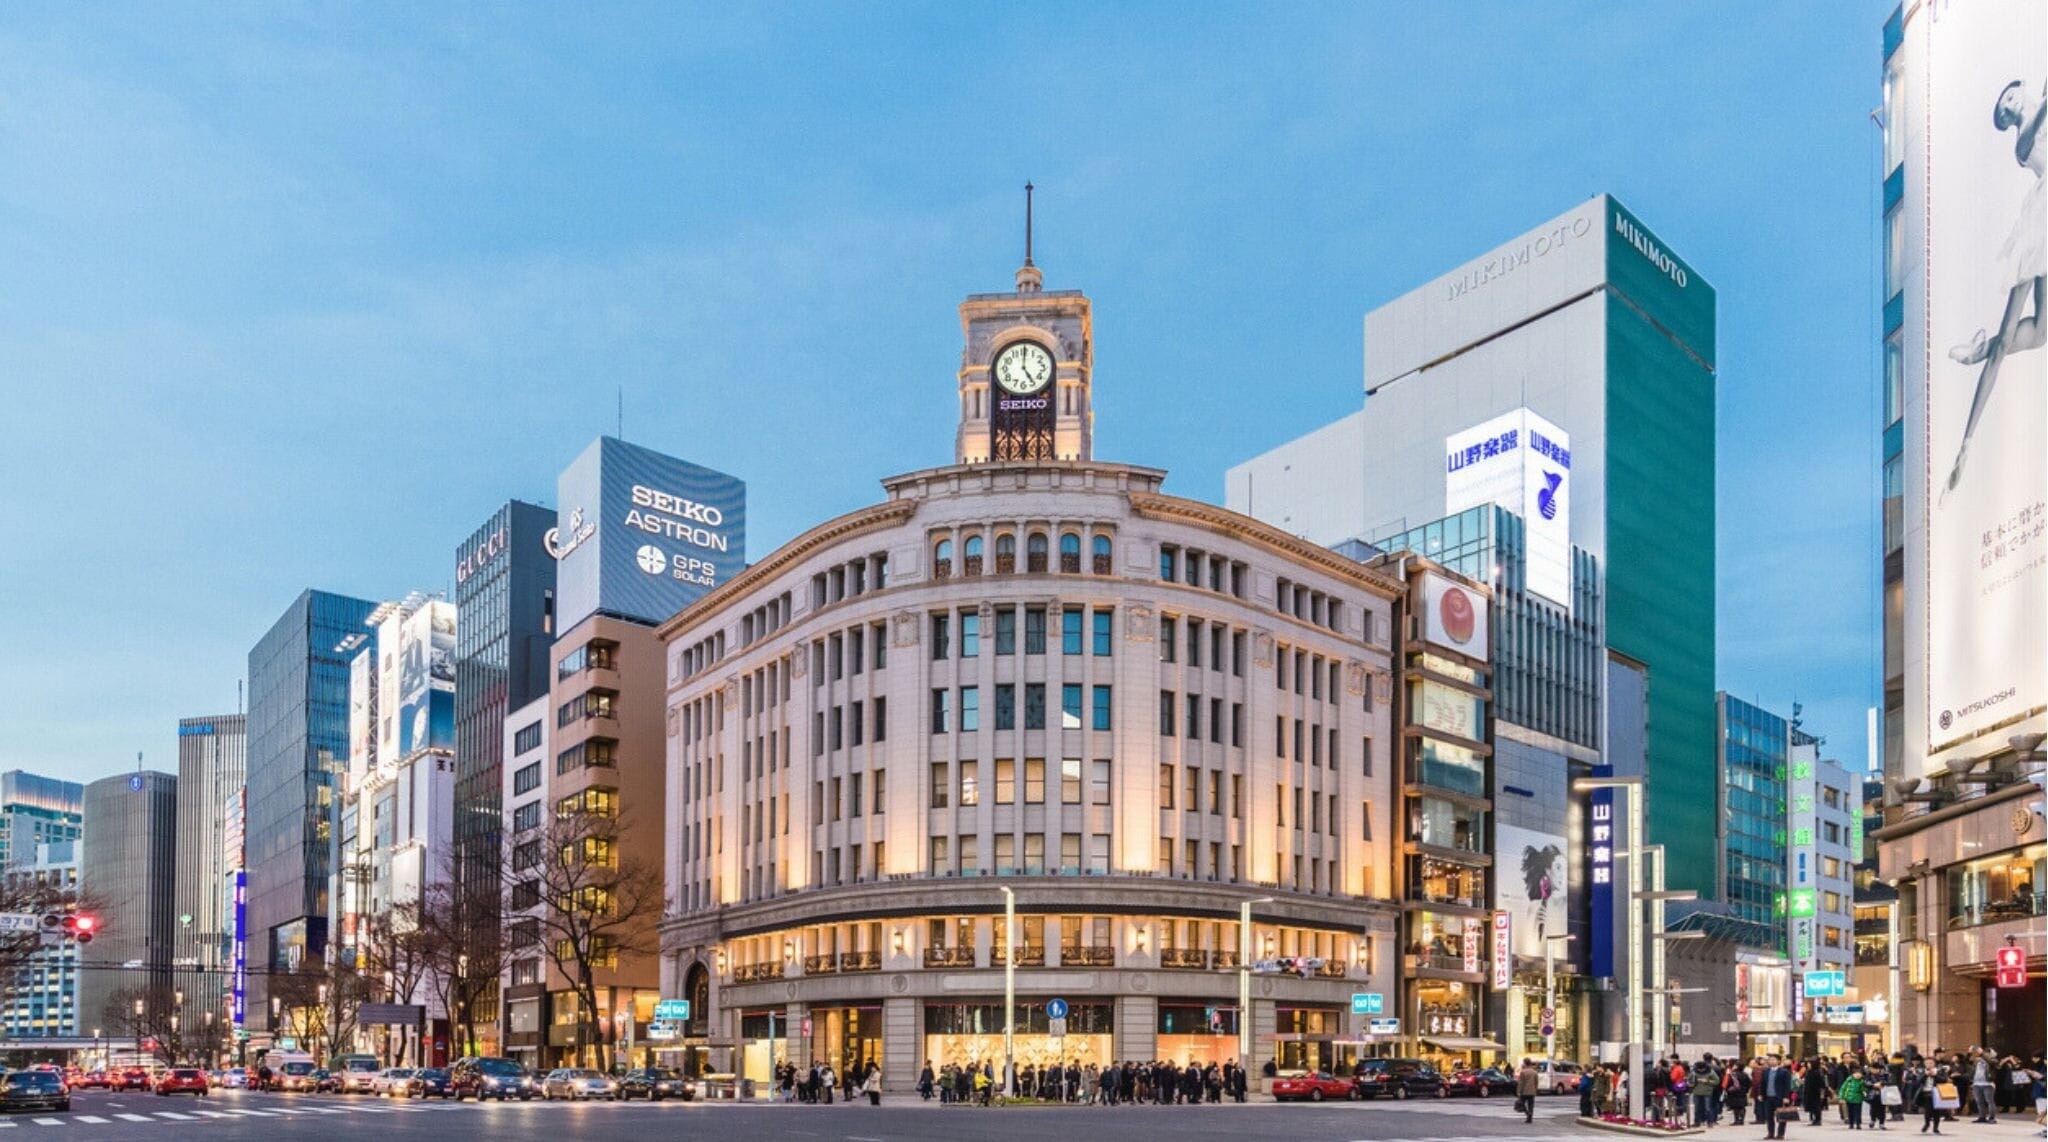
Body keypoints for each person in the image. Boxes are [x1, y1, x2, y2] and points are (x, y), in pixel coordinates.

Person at [1762, 1055, 1794, 1141]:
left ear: (1778, 1061)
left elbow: (1787, 1085)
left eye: (1773, 1060)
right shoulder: (1766, 1072)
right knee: (1769, 1116)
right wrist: (1761, 1094)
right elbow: (1763, 1084)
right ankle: (1770, 1133)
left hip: (1779, 1097)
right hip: (1768, 1097)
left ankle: (1780, 1134)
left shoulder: (1784, 1072)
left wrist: (1786, 1096)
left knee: (1782, 1116)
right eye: (1770, 1060)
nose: (1771, 1061)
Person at [1971, 1050, 1997, 1123]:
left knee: (1989, 1101)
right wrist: (1969, 1053)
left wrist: (1983, 1054)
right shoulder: (1977, 1061)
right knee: (1979, 1101)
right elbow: (1968, 1062)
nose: (1984, 1054)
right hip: (1976, 1083)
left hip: (1987, 1084)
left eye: (1987, 1053)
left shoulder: (1993, 1061)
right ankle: (1982, 1117)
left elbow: (1991, 1062)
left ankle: (1992, 1117)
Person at [1517, 1058, 1540, 1123]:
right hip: (1532, 1091)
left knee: (1521, 1104)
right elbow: (1536, 1082)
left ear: (1525, 1063)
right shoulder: (1534, 1072)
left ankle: (1527, 1113)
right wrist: (1536, 1090)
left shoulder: (1523, 1072)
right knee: (1531, 1105)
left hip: (1524, 1091)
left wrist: (1519, 1091)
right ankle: (1530, 1118)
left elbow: (1521, 1083)